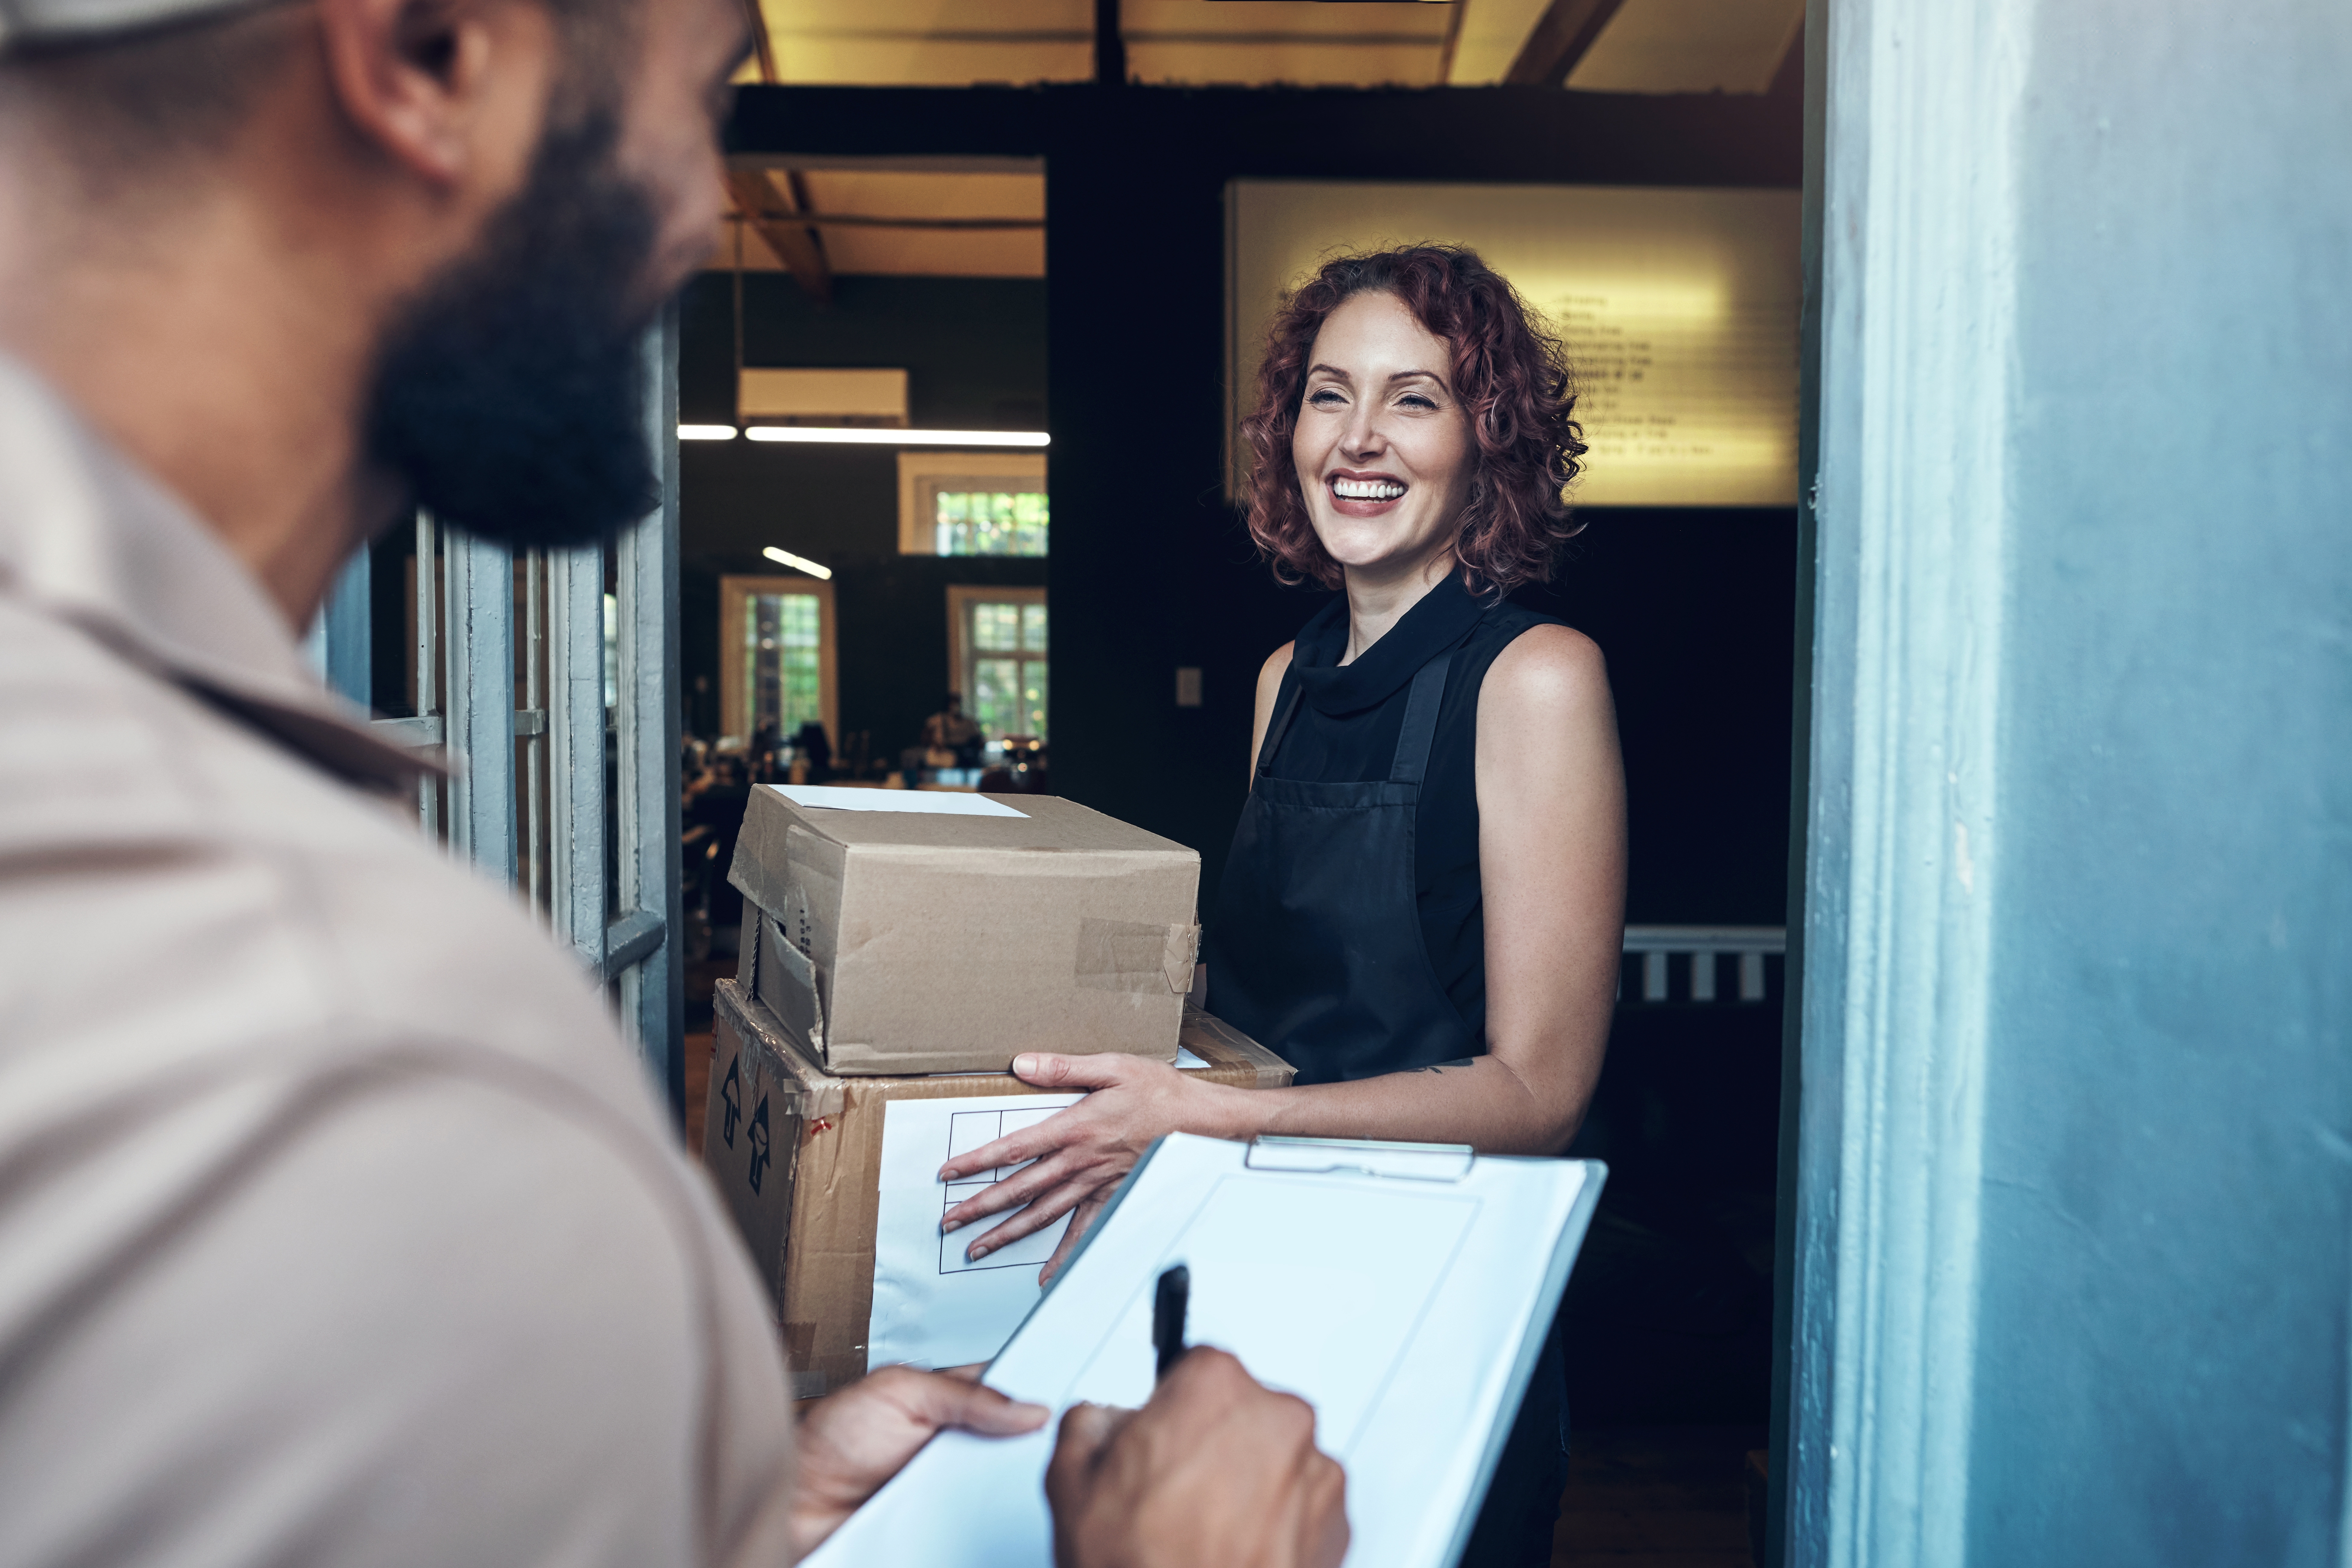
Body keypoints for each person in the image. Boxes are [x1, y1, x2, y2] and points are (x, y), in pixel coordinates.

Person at [0, 0, 1346, 1563]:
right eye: (701, 99)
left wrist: (742, 1516)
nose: (708, 213)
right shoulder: (349, 1043)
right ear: (433, 53)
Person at [935, 246, 1627, 1564]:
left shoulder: (1536, 677)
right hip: (1252, 1282)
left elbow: (1540, 1094)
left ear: (1489, 439)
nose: (1359, 437)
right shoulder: (1284, 680)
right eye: (1329, 394)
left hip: (1433, 1305)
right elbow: (1272, 1000)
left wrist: (1210, 1114)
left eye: (1414, 398)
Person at [923, 689, 984, 768]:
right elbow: (925, 737)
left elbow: (980, 742)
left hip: (963, 755)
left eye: (958, 702)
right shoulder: (938, 719)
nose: (956, 705)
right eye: (953, 702)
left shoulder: (968, 723)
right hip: (941, 754)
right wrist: (935, 744)